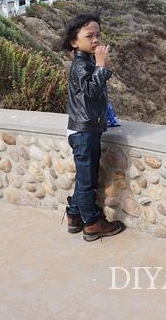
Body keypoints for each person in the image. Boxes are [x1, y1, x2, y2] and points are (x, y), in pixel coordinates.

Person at [61, 12, 125, 241]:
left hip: (85, 128)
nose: (96, 39)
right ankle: (92, 224)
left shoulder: (85, 62)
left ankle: (75, 214)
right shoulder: (81, 65)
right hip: (84, 130)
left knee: (84, 177)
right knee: (87, 179)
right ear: (74, 42)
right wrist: (101, 65)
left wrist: (100, 65)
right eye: (89, 36)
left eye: (98, 34)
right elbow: (91, 91)